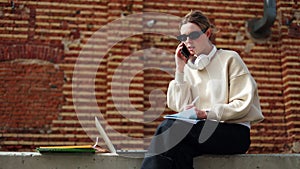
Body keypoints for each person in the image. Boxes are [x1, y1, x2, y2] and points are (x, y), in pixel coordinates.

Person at [140, 10, 264, 169]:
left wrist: (205, 113)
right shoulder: (189, 69)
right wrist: (180, 69)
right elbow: (178, 106)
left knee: (168, 126)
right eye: (183, 38)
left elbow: (242, 104)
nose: (188, 42)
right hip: (200, 132)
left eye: (193, 35)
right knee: (179, 153)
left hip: (233, 132)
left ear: (208, 33)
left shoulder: (230, 58)